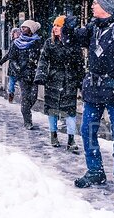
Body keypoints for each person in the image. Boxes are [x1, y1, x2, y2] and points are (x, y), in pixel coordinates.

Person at [62, 0, 114, 194]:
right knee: (87, 130)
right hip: (94, 89)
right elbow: (72, 41)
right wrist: (68, 29)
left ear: (106, 7)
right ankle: (95, 170)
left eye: (95, 3)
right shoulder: (93, 27)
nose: (92, 6)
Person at [34, 15, 85, 151]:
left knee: (70, 111)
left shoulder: (73, 44)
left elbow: (79, 64)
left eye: (59, 26)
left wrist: (81, 81)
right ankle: (53, 134)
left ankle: (71, 139)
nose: (55, 28)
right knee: (52, 110)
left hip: (69, 80)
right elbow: (43, 60)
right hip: (53, 80)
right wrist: (41, 75)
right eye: (54, 25)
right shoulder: (49, 43)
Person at [0, 19, 42, 129]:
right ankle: (28, 121)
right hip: (22, 75)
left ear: (31, 29)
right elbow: (12, 57)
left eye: (25, 27)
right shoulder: (16, 43)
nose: (22, 29)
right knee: (25, 97)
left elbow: (41, 57)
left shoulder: (36, 42)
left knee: (33, 96)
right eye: (22, 27)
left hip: (34, 74)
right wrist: (19, 69)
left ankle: (26, 109)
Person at [5, 28, 21, 103]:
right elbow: (9, 55)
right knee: (12, 83)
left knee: (15, 83)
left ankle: (12, 97)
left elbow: (10, 55)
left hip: (16, 66)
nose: (16, 34)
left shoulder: (16, 43)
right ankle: (11, 96)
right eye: (14, 33)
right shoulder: (14, 42)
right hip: (14, 66)